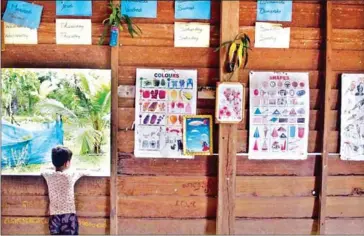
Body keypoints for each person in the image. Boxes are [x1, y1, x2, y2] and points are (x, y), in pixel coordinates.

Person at [41, 146, 95, 235]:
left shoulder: (48, 175)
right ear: (67, 163)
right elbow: (87, 172)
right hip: (69, 216)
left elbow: (42, 170)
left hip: (54, 217)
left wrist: (53, 168)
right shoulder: (70, 175)